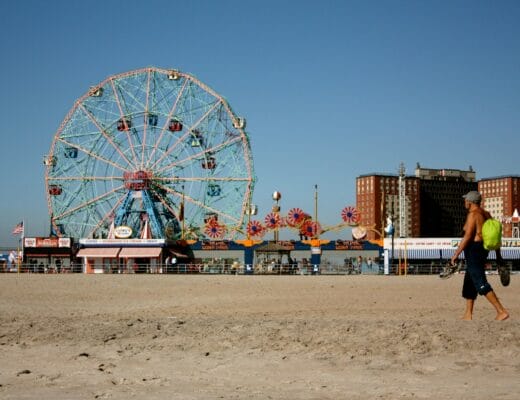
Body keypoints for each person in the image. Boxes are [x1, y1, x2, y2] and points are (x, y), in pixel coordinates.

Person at [450, 191, 509, 321]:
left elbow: (468, 236)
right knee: (470, 281)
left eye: (465, 200)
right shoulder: (486, 214)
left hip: (474, 250)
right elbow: (495, 236)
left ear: (470, 202)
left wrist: (455, 254)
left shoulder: (473, 215)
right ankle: (468, 314)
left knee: (479, 281)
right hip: (483, 250)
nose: (464, 202)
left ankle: (501, 311)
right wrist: (498, 256)